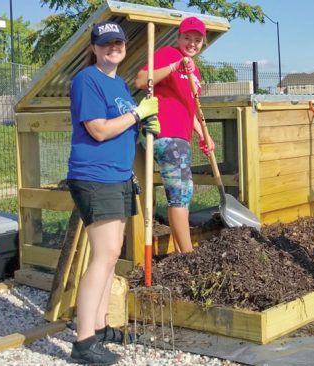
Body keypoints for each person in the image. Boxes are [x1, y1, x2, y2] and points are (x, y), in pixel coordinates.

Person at [67, 21, 159, 364]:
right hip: (95, 177)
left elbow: (121, 127)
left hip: (119, 177)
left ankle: (101, 326)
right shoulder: (86, 80)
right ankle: (83, 341)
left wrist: (143, 124)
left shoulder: (119, 84)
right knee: (103, 256)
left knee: (111, 254)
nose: (113, 48)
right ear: (94, 48)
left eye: (117, 42)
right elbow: (99, 130)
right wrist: (137, 112)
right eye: (106, 44)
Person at [136, 16, 214, 254]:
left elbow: (187, 107)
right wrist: (173, 67)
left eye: (197, 39)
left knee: (183, 193)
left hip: (180, 137)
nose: (192, 43)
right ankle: (189, 257)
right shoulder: (168, 55)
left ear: (203, 42)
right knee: (180, 195)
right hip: (165, 134)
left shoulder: (194, 69)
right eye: (187, 38)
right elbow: (140, 81)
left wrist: (203, 134)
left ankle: (182, 253)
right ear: (179, 37)